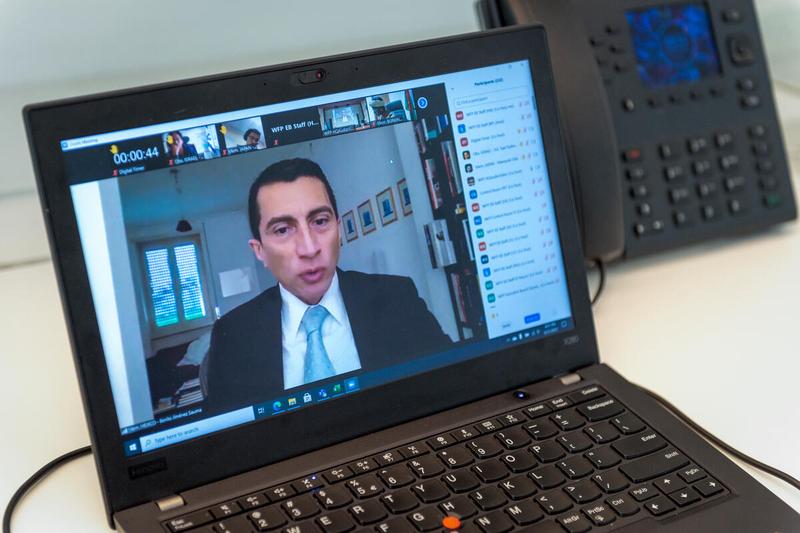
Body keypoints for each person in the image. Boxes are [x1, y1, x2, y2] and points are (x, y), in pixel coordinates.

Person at [204, 158, 451, 413]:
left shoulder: (398, 298)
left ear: (339, 229)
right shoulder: (232, 336)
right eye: (282, 230)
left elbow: (451, 386)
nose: (310, 248)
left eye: (320, 221)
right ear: (260, 252)